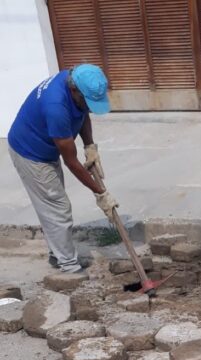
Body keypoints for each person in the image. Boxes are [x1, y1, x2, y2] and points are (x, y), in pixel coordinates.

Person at [8, 64, 118, 273]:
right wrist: (100, 193)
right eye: (87, 100)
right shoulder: (56, 107)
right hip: (31, 153)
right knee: (57, 207)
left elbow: (83, 112)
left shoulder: (76, 79)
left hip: (46, 146)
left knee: (52, 205)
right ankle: (69, 267)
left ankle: (58, 255)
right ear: (75, 91)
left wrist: (89, 146)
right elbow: (72, 163)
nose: (88, 105)